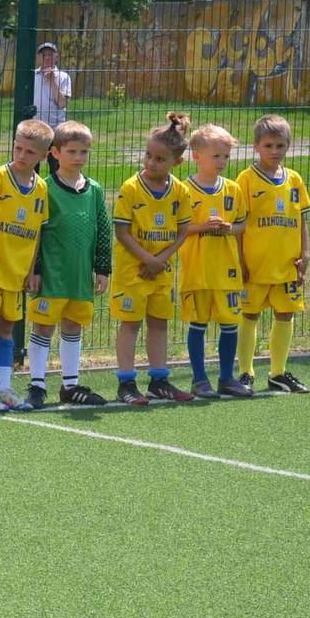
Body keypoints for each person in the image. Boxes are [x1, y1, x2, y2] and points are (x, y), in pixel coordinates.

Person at [110, 113, 196, 405]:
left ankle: (159, 381)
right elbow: (122, 232)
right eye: (148, 155)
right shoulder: (131, 188)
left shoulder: (181, 191)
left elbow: (182, 231)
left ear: (177, 162)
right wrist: (147, 259)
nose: (151, 163)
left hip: (161, 270)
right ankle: (126, 383)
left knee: (159, 323)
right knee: (130, 324)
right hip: (133, 271)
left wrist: (160, 260)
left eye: (160, 159)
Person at [25, 121, 112, 409]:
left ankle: (70, 385)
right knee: (43, 326)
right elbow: (36, 231)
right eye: (72, 151)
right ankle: (37, 385)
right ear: (55, 153)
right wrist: (35, 269)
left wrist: (102, 268)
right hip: (52, 274)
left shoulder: (94, 190)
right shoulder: (45, 188)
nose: (78, 157)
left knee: (73, 325)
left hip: (80, 275)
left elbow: (103, 229)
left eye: (83, 152)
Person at [0, 119, 53, 413]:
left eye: (30, 152)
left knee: (7, 328)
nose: (21, 155)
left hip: (17, 273)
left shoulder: (41, 188)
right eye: (18, 148)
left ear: (44, 155)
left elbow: (37, 231)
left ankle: (4, 387)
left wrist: (31, 270)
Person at [236, 114, 310, 394]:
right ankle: (245, 373)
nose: (274, 151)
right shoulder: (246, 179)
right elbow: (239, 224)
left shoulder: (294, 179)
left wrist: (305, 253)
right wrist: (240, 259)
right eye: (268, 146)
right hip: (255, 265)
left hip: (287, 264)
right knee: (249, 315)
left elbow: (301, 219)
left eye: (280, 145)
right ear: (256, 146)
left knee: (285, 314)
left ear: (288, 146)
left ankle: (278, 373)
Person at [179, 124, 252, 400]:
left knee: (230, 324)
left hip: (227, 271)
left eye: (226, 157)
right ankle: (199, 380)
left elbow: (242, 224)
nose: (222, 162)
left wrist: (229, 228)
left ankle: (226, 379)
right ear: (196, 156)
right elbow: (178, 229)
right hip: (197, 271)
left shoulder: (233, 189)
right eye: (216, 156)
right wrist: (203, 227)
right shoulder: (184, 190)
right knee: (198, 325)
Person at [33, 42, 71, 129]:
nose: (47, 57)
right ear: (38, 58)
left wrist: (52, 81)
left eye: (50, 55)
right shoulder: (33, 75)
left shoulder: (64, 77)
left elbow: (62, 104)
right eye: (43, 55)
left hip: (55, 127)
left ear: (56, 57)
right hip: (35, 126)